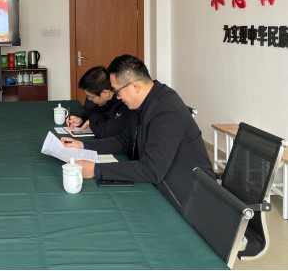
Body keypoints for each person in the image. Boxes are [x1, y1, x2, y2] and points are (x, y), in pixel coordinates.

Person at [62, 55, 215, 212]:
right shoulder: (141, 104)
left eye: (118, 91)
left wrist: (95, 169)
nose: (117, 97)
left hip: (190, 201)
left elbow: (151, 170)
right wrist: (83, 145)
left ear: (135, 86)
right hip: (163, 187)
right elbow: (125, 141)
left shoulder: (167, 111)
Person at [66, 66, 131, 139]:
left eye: (91, 97)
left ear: (105, 93)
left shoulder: (125, 104)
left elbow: (105, 133)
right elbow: (95, 110)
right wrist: (81, 118)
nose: (90, 100)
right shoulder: (107, 100)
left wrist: (91, 120)